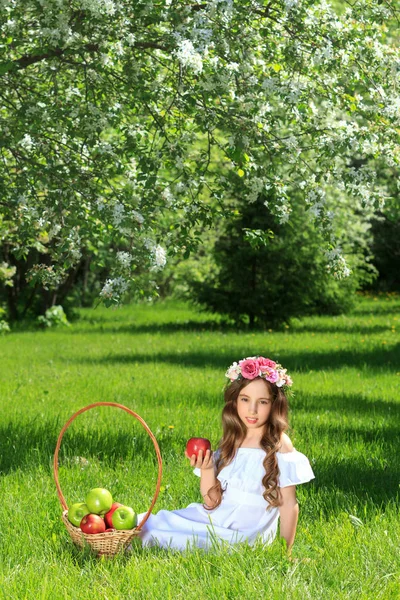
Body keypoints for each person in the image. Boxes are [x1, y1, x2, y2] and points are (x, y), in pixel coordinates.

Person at [137, 356, 315, 552]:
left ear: (274, 405)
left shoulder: (278, 444)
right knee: (157, 521)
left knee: (163, 537)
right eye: (245, 399)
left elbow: (289, 505)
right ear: (235, 401)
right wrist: (207, 469)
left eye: (262, 402)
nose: (252, 410)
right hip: (218, 517)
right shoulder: (234, 440)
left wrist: (285, 552)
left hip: (245, 534)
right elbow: (212, 501)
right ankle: (110, 531)